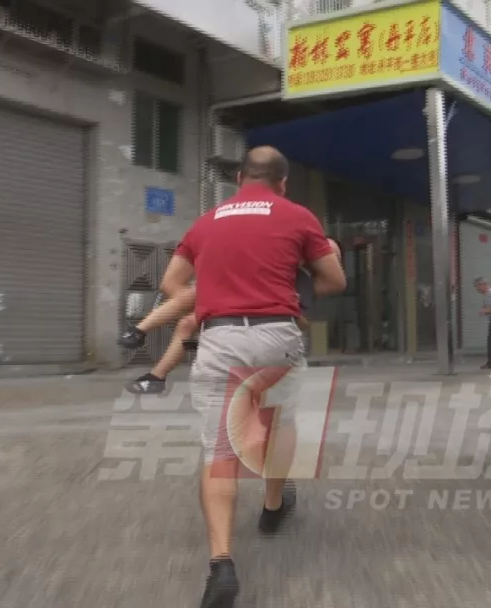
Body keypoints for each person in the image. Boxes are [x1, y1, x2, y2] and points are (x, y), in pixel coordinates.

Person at [158, 146, 346, 607]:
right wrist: (296, 287)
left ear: (240, 178)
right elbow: (333, 281)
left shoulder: (206, 222)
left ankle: (221, 565)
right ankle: (272, 507)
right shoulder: (298, 216)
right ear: (282, 182)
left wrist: (211, 296)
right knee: (278, 427)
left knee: (219, 453)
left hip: (221, 337)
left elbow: (171, 284)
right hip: (277, 334)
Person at [117, 239, 342, 395]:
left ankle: (150, 344)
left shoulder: (302, 282)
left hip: (254, 321)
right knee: (188, 317)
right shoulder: (276, 260)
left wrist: (284, 310)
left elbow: (300, 322)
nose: (322, 252)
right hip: (234, 302)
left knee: (193, 307)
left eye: (330, 254)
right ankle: (152, 365)